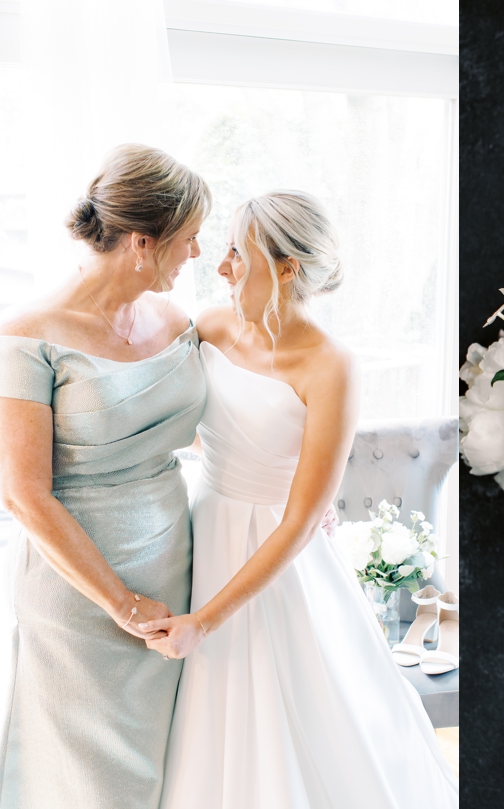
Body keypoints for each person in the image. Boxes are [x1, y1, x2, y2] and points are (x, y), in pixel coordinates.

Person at [145, 191, 458, 808]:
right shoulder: (209, 326)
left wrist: (203, 622)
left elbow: (304, 517)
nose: (222, 266)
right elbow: (186, 424)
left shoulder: (331, 365)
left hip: (280, 550)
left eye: (238, 254)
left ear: (287, 268)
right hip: (204, 527)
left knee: (304, 710)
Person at [0, 144, 210, 809]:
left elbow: (218, 427)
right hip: (78, 591)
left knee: (168, 769)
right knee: (91, 784)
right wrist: (121, 603)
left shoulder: (178, 322)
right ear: (144, 242)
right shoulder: (27, 336)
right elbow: (22, 493)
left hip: (174, 564)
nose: (197, 253)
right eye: (189, 238)